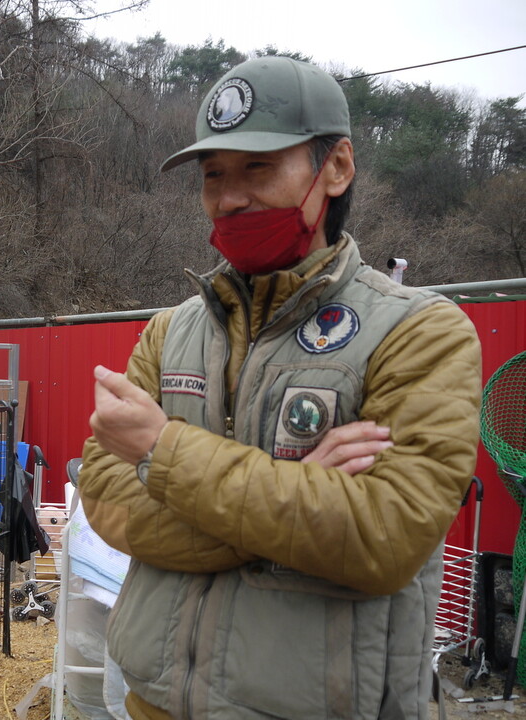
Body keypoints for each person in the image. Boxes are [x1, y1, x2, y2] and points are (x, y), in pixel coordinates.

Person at [79, 56, 482, 720]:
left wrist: (162, 451)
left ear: (338, 168)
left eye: (257, 169)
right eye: (214, 177)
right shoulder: (168, 331)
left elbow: (382, 537)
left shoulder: (420, 333)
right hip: (152, 700)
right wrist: (286, 503)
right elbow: (109, 506)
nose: (230, 198)